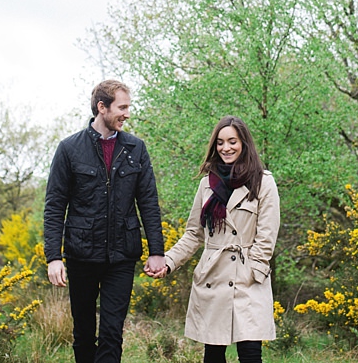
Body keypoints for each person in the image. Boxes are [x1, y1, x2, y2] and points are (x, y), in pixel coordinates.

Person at [44, 80, 166, 363]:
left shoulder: (136, 148)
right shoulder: (69, 149)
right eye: (122, 107)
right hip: (81, 254)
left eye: (128, 107)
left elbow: (148, 202)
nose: (127, 113)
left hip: (122, 256)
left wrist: (156, 252)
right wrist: (54, 257)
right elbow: (54, 207)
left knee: (112, 332)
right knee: (84, 333)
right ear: (102, 107)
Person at [146, 115, 280, 363]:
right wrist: (168, 261)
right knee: (213, 355)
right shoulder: (207, 184)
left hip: (248, 278)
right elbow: (193, 234)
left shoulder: (263, 182)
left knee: (251, 355)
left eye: (232, 141)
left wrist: (256, 270)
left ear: (244, 143)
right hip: (213, 277)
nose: (225, 148)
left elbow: (267, 234)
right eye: (220, 142)